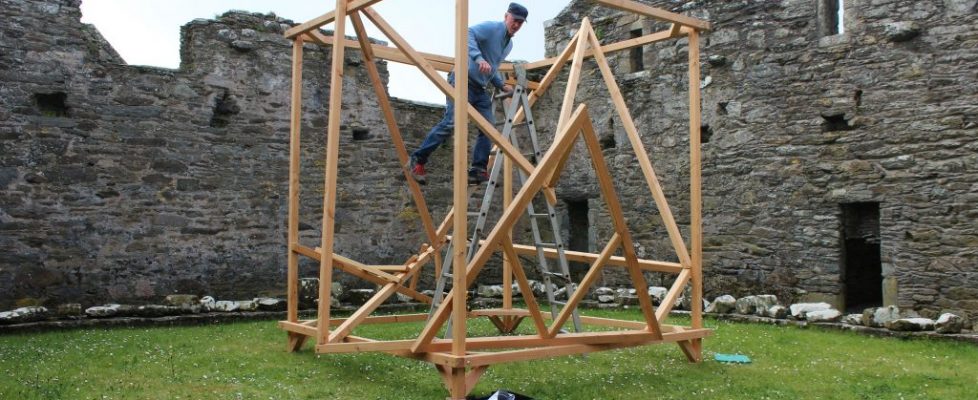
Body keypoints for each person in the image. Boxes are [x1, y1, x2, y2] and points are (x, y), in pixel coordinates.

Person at [407, 3, 528, 185]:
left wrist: (501, 85)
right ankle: (418, 160)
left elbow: (491, 66)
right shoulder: (493, 28)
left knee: (489, 128)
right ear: (506, 17)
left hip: (479, 88)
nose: (517, 24)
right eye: (515, 20)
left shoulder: (508, 44)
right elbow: (466, 33)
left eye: (521, 22)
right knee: (451, 122)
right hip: (462, 80)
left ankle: (478, 170)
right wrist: (478, 58)